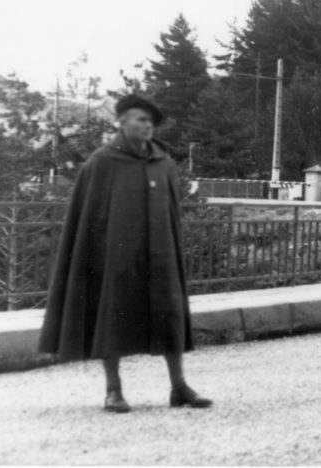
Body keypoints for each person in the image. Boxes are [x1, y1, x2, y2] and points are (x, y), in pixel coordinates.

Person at [39, 93, 211, 413]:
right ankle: (113, 391)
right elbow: (88, 216)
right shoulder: (102, 162)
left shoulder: (163, 162)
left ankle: (179, 387)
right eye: (141, 120)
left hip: (160, 256)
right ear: (122, 122)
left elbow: (172, 212)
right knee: (112, 317)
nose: (148, 126)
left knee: (170, 317)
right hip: (117, 258)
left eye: (151, 121)